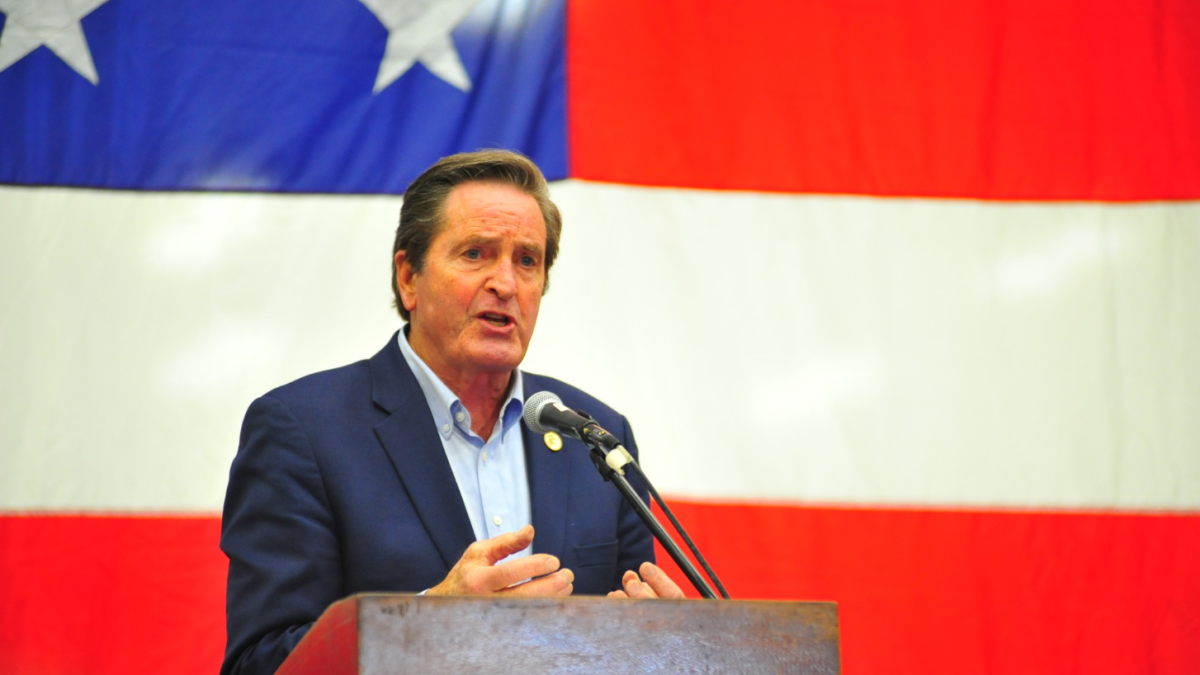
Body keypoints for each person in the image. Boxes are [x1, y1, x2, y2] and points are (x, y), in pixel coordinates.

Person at [219, 150, 682, 675]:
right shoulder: (302, 431)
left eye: (527, 260)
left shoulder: (595, 437)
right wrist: (428, 625)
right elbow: (260, 664)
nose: (506, 284)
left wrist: (664, 647)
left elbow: (629, 637)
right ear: (408, 278)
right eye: (476, 254)